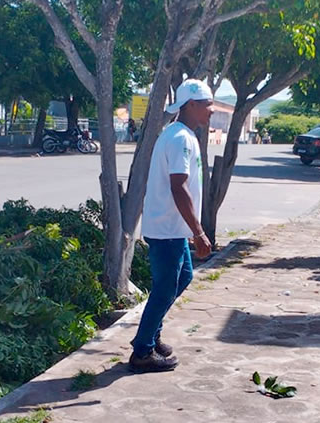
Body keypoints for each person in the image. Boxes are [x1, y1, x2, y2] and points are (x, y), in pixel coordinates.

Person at [129, 79, 214, 373]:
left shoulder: (181, 135)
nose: (211, 111)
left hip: (172, 228)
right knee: (165, 289)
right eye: (207, 105)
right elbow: (179, 187)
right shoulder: (180, 138)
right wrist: (199, 232)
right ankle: (142, 352)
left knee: (183, 278)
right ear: (191, 105)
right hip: (167, 229)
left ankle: (149, 335)